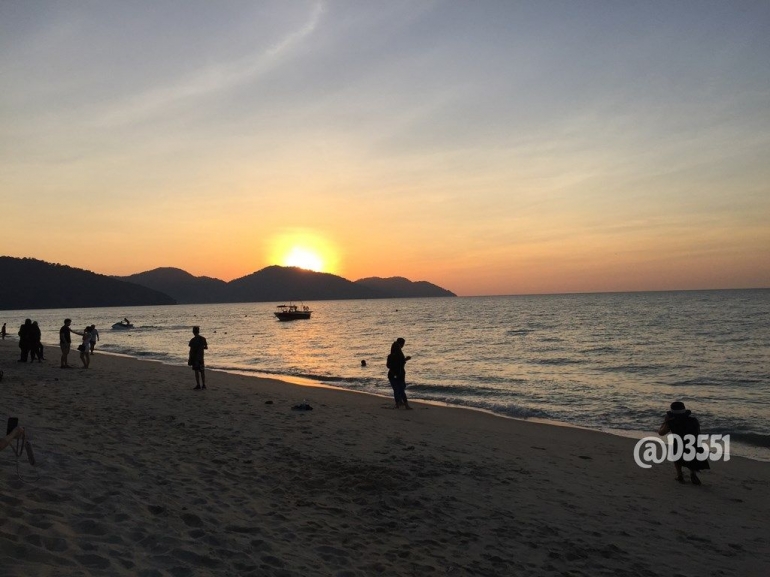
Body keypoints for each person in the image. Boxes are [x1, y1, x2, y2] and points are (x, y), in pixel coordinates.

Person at [658, 401, 710, 485]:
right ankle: (693, 473)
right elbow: (698, 432)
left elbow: (661, 433)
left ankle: (680, 475)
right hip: (693, 444)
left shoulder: (671, 422)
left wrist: (665, 422)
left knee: (676, 455)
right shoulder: (693, 420)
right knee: (691, 455)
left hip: (678, 445)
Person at [387, 337, 412, 409]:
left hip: (392, 375)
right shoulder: (400, 355)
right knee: (401, 389)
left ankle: (398, 403)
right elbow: (401, 363)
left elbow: (388, 366)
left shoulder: (390, 356)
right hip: (399, 374)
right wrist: (405, 359)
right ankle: (405, 405)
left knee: (397, 390)